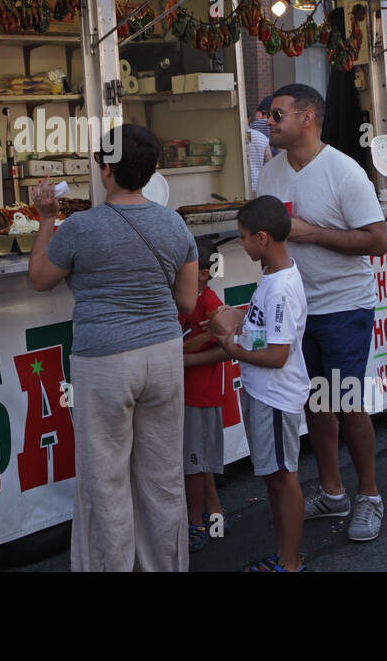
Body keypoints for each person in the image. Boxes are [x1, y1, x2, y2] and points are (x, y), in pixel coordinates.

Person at [28, 123, 199, 571]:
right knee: (162, 477)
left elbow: (41, 279)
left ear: (106, 170)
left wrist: (46, 218)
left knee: (105, 481)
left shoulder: (81, 227)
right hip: (163, 354)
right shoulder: (174, 223)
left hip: (103, 360)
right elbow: (186, 301)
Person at [256, 84, 387, 542]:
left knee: (347, 404)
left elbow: (376, 240)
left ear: (308, 118)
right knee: (315, 404)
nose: (268, 123)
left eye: (277, 115)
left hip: (343, 306)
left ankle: (369, 495)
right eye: (269, 116)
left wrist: (311, 234)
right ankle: (333, 493)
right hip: (296, 310)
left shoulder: (344, 171)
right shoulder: (270, 173)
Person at [208, 196, 309, 572]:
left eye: (245, 237)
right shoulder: (273, 277)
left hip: (275, 397)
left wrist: (231, 346)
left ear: (263, 238)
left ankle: (290, 561)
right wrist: (237, 321)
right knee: (273, 479)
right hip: (261, 392)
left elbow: (278, 355)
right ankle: (284, 555)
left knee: (283, 479)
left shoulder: (280, 286)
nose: (242, 244)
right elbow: (267, 337)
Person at [180, 236, 229, 553]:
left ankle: (194, 524)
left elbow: (227, 346)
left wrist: (183, 354)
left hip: (198, 396)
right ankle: (215, 515)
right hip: (186, 393)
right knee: (197, 460)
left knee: (193, 465)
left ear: (202, 273)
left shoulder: (209, 303)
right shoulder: (186, 297)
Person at [248, 95, 275, 192]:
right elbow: (270, 163)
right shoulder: (262, 138)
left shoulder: (253, 126)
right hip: (259, 184)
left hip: (242, 184)